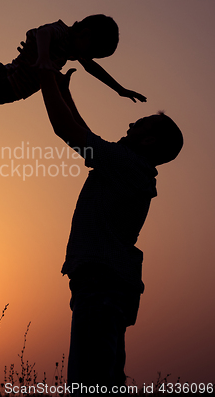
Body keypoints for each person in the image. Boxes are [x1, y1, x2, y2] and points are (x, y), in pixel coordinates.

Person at [36, 28, 183, 393]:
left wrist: (44, 74)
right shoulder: (126, 167)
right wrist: (65, 92)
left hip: (101, 288)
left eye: (140, 124)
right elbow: (85, 135)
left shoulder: (128, 164)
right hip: (107, 287)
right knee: (103, 381)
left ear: (148, 140)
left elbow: (68, 132)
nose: (131, 124)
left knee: (90, 385)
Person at [0, 3, 146, 115]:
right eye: (90, 51)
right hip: (1, 80)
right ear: (85, 33)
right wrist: (44, 58)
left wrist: (119, 89)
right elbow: (42, 32)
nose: (85, 58)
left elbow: (92, 67)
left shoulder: (71, 50)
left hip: (7, 91)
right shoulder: (61, 31)